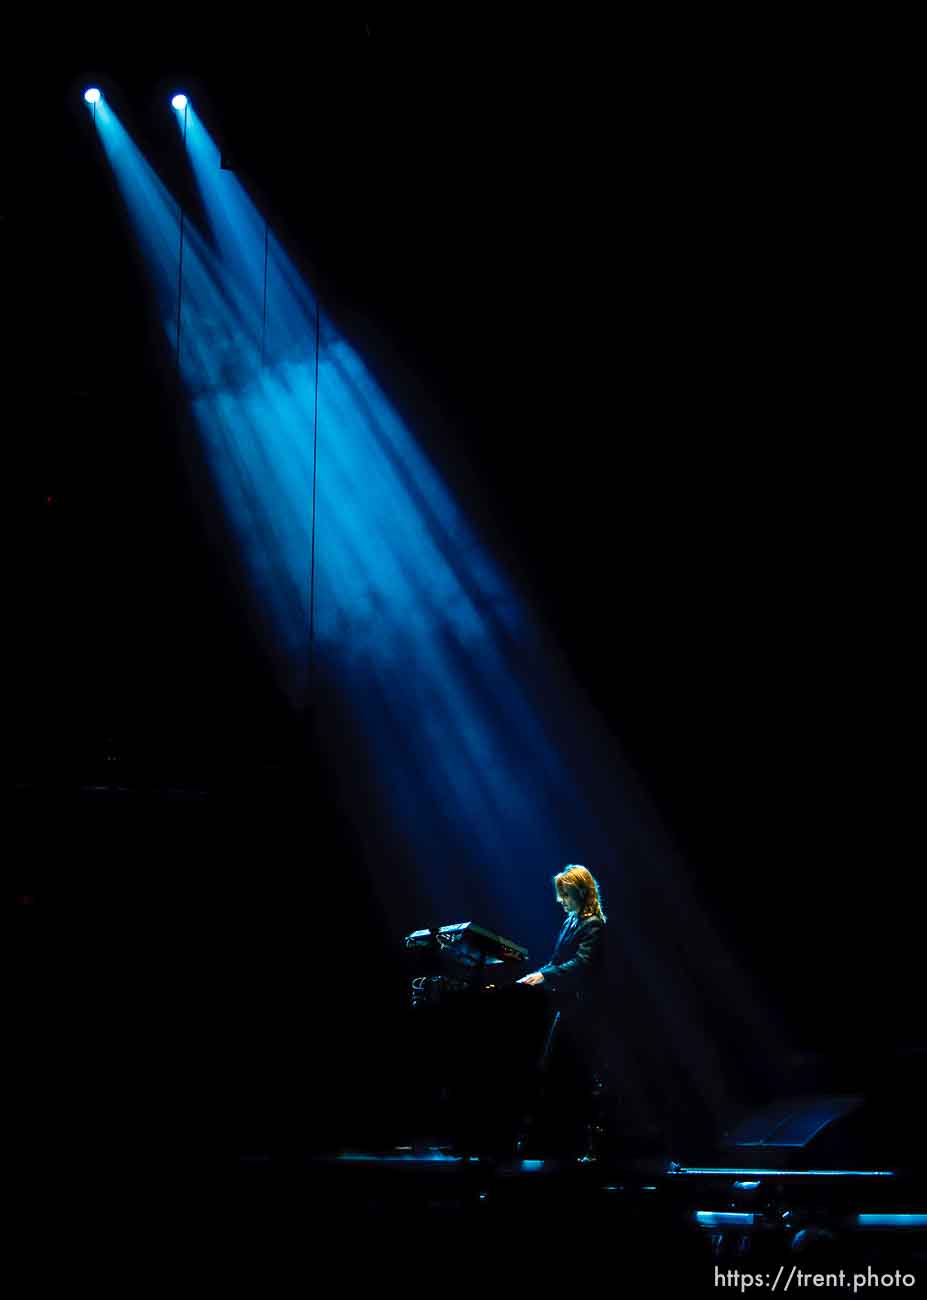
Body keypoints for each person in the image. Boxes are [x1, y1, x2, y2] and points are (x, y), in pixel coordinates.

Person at [515, 865, 609, 1158]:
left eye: (565, 894)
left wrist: (545, 976)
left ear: (580, 893)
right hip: (567, 1007)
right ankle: (565, 1142)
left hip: (584, 1009)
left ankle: (591, 1144)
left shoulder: (593, 924)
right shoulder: (571, 921)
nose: (561, 900)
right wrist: (538, 973)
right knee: (560, 1070)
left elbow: (581, 964)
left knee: (578, 1073)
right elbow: (559, 960)